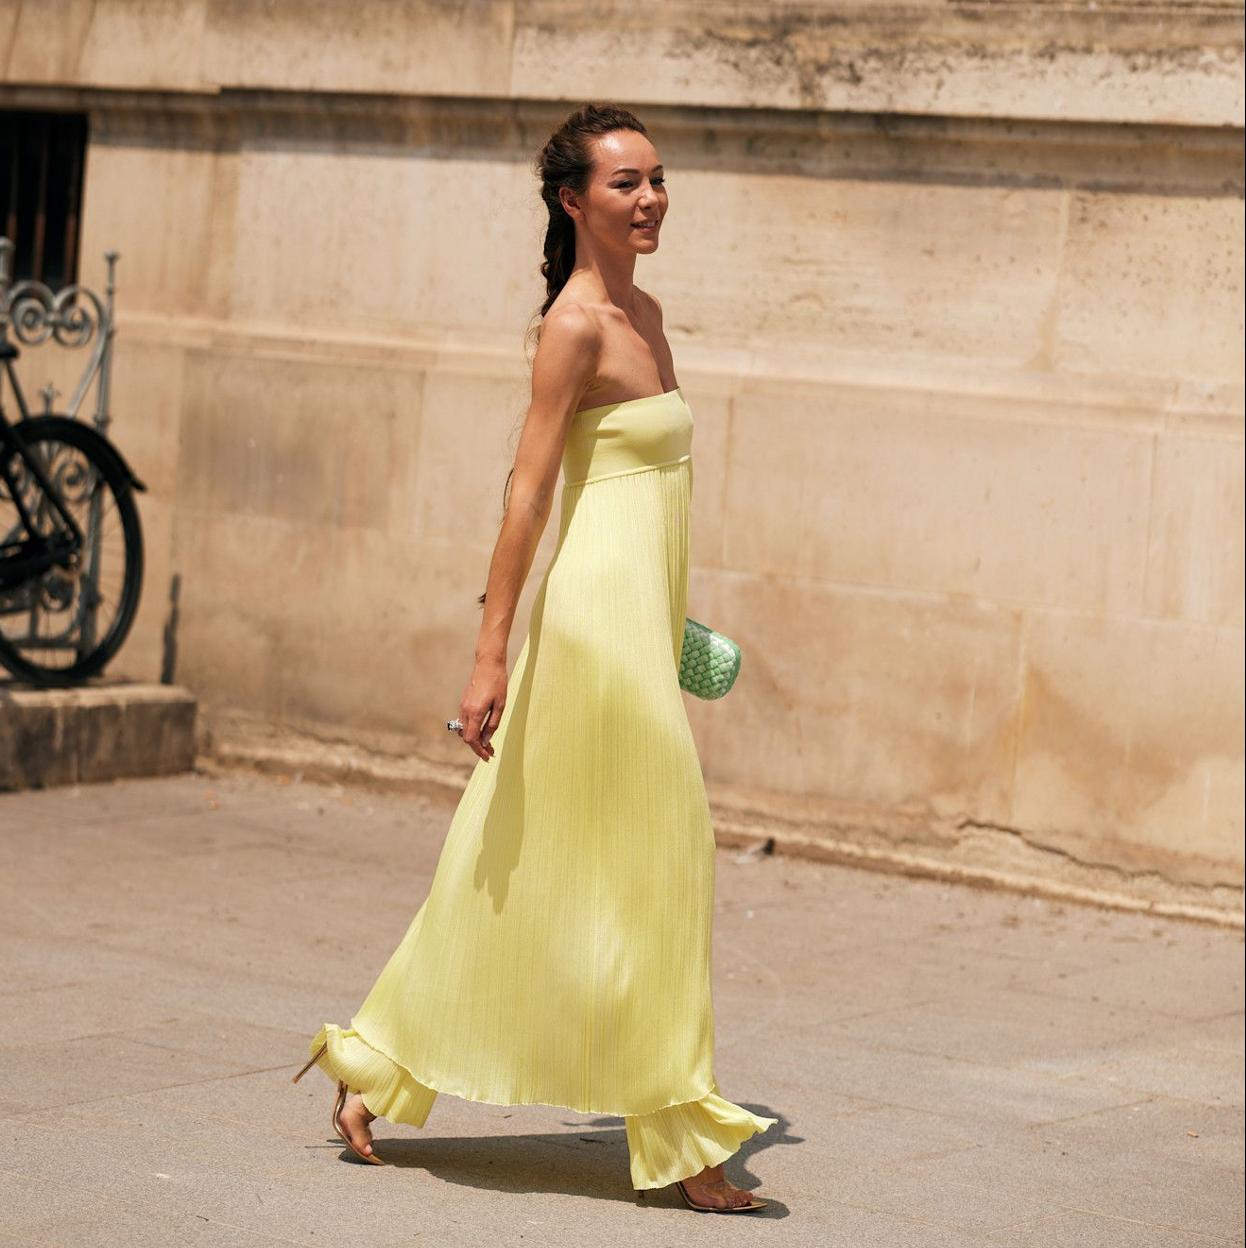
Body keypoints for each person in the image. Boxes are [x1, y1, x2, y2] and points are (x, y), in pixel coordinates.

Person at [292, 101, 776, 1214]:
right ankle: (681, 1135)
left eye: (657, 178)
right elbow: (528, 493)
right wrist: (488, 655)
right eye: (624, 183)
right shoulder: (575, 327)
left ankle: (377, 1064)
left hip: (636, 622)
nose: (650, 198)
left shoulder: (647, 313)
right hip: (593, 630)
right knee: (667, 859)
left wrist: (672, 620)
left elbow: (647, 494)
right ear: (573, 200)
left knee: (537, 858)